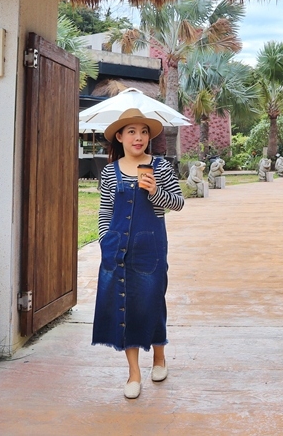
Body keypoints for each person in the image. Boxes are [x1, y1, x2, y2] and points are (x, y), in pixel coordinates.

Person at [92, 108, 185, 399]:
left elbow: (178, 202)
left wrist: (156, 191)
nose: (139, 137)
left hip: (150, 248)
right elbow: (105, 210)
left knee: (151, 301)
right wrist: (104, 239)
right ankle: (134, 373)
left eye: (143, 132)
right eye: (132, 131)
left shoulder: (161, 167)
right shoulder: (110, 171)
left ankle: (159, 356)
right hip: (116, 247)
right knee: (122, 303)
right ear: (119, 136)